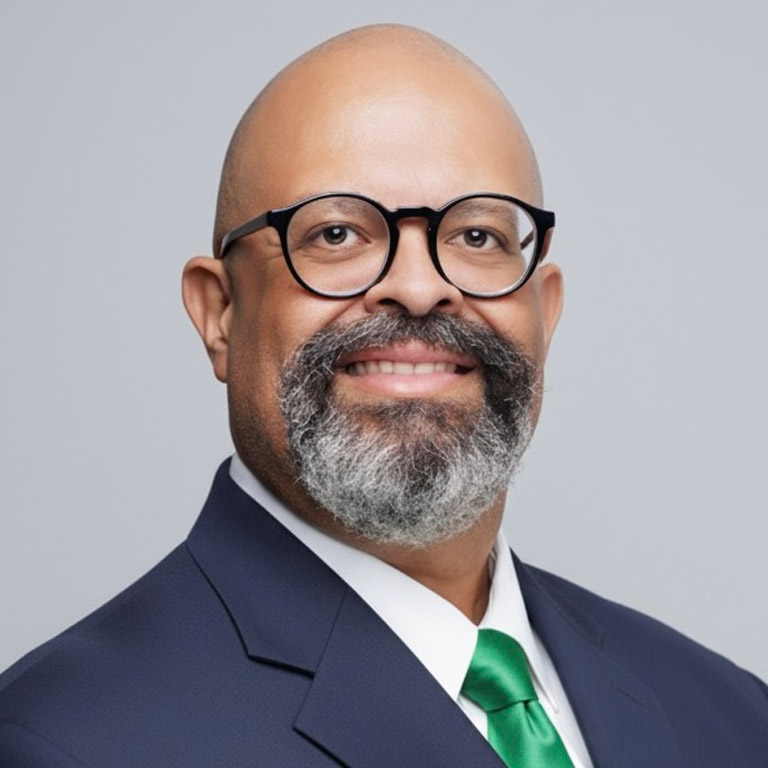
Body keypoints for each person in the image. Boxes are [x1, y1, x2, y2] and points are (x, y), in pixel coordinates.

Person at [1, 23, 766, 768]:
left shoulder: (731, 717)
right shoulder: (59, 742)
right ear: (220, 312)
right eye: (336, 233)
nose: (420, 288)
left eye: (477, 236)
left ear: (545, 311)